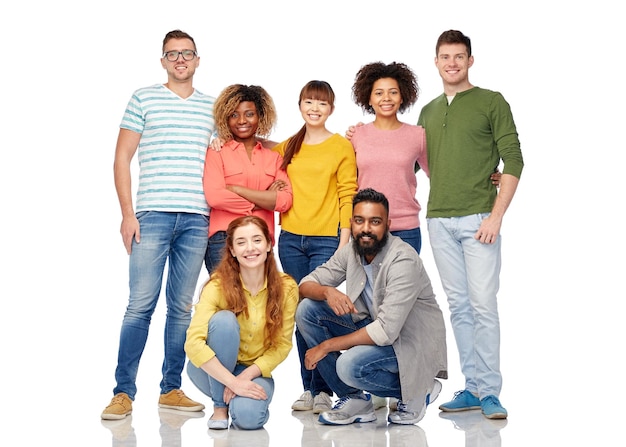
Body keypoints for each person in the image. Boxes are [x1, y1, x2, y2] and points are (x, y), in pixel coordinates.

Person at [101, 29, 215, 420]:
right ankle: (123, 392)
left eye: (187, 53)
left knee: (182, 309)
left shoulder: (212, 108)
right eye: (172, 54)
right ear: (163, 61)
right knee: (139, 306)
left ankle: (171, 388)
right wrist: (127, 214)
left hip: (197, 218)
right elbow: (121, 158)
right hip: (151, 214)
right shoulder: (143, 98)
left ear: (198, 60)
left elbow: (234, 153)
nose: (180, 59)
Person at [417, 30, 524, 420]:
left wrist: (496, 216)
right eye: (445, 57)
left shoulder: (491, 102)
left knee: (483, 305)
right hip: (438, 220)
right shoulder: (427, 111)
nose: (451, 63)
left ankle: (491, 391)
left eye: (459, 56)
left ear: (470, 60)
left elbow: (513, 158)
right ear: (436, 61)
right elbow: (406, 160)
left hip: (480, 219)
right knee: (459, 307)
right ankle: (473, 388)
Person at [297, 188, 447, 426]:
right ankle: (355, 400)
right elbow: (306, 284)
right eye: (359, 221)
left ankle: (420, 387)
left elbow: (386, 331)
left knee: (349, 366)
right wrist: (327, 291)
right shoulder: (352, 251)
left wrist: (326, 346)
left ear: (387, 224)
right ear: (352, 223)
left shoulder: (403, 259)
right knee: (307, 310)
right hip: (377, 328)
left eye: (374, 221)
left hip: (410, 341)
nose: (366, 228)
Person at [271, 80, 358, 415]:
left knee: (317, 313)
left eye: (322, 103)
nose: (315, 108)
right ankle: (309, 389)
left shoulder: (340, 147)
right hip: (291, 239)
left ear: (331, 109)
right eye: (309, 102)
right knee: (297, 313)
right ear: (300, 105)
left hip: (326, 241)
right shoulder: (289, 145)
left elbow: (347, 192)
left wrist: (345, 238)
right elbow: (263, 164)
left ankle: (324, 390)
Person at [184, 216, 298, 430]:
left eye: (257, 240)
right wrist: (233, 382)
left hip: (252, 369)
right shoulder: (217, 286)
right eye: (241, 242)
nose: (250, 248)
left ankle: (240, 405)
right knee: (224, 321)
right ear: (233, 250)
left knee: (248, 420)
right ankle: (220, 407)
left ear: (268, 245)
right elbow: (193, 343)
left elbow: (282, 346)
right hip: (209, 369)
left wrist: (246, 376)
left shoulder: (287, 288)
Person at [203, 84, 292, 273]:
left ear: (260, 116)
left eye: (249, 114)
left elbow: (285, 200)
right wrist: (265, 199)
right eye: (234, 115)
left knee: (257, 301)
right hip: (223, 239)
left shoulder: (275, 157)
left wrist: (237, 190)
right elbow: (215, 196)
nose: (242, 120)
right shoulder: (217, 152)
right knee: (226, 301)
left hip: (261, 240)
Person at [350, 61, 429, 255]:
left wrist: (487, 174)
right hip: (365, 228)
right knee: (367, 286)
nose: (386, 98)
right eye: (379, 93)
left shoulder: (418, 135)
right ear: (368, 99)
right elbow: (347, 182)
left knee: (403, 285)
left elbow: (440, 174)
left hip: (405, 229)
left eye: (393, 92)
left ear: (402, 97)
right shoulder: (357, 135)